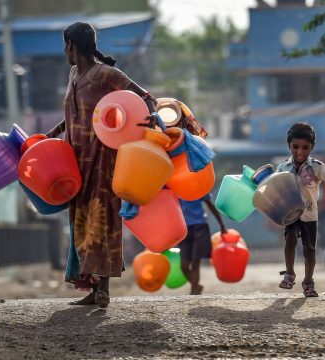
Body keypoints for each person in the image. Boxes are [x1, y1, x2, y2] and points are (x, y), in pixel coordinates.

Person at [45, 22, 161, 308]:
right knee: (81, 222)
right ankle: (92, 287)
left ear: (71, 45)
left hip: (103, 159)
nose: (65, 51)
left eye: (65, 46)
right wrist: (53, 133)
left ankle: (104, 289)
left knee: (104, 218)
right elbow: (76, 115)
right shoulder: (74, 75)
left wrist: (153, 115)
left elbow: (145, 97)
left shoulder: (105, 75)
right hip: (75, 163)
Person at [275, 123, 325, 297]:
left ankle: (308, 282)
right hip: (290, 213)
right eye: (295, 147)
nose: (300, 151)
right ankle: (289, 274)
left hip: (310, 213)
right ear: (289, 145)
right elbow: (274, 186)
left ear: (312, 147)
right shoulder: (282, 168)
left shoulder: (318, 167)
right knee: (290, 239)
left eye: (305, 147)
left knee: (309, 249)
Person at [178, 195, 227, 295]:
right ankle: (196, 286)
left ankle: (194, 292)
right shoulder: (175, 188)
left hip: (200, 227)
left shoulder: (198, 186)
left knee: (195, 262)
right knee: (184, 265)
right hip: (183, 229)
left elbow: (210, 206)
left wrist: (222, 224)